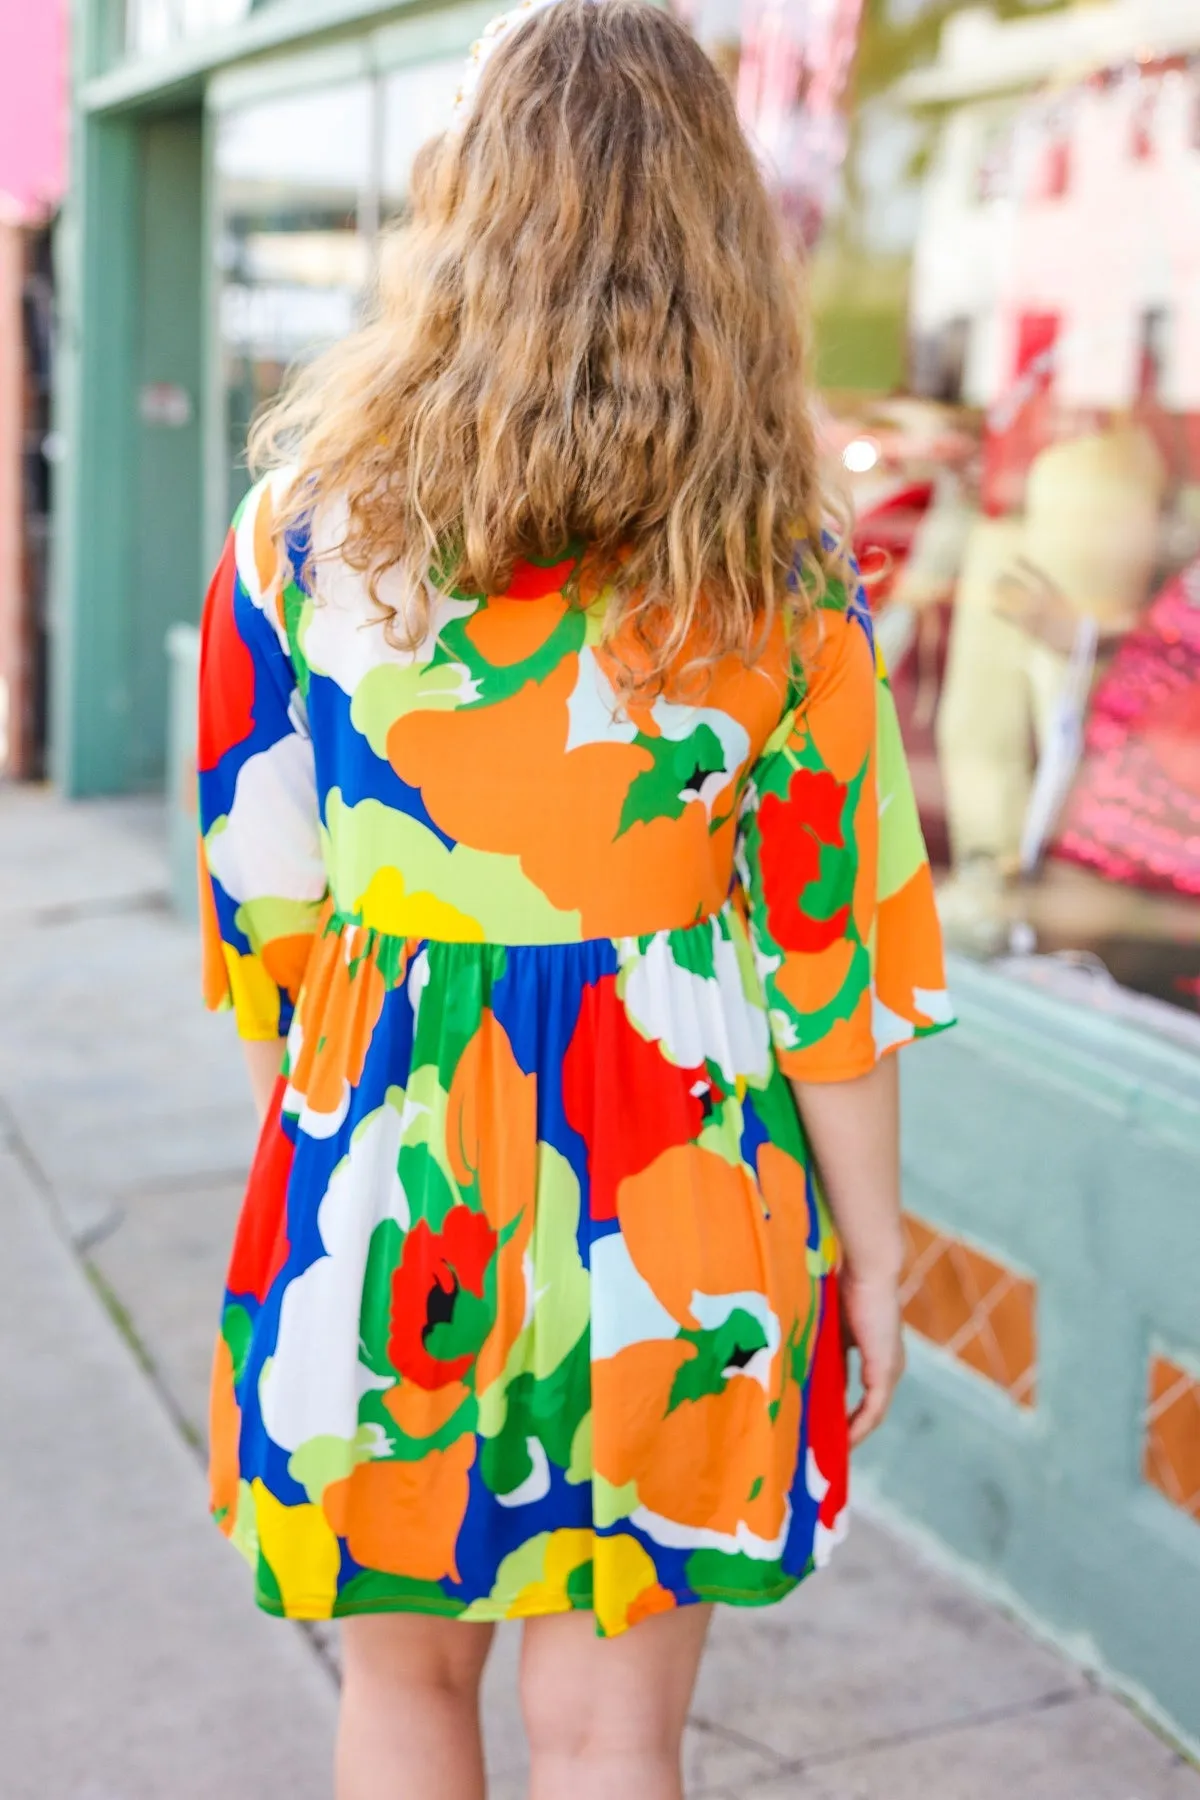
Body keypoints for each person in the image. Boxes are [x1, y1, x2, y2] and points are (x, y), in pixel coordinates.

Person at [196, 3, 952, 1794]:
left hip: (381, 1172)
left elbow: (261, 929)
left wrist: (322, 1172)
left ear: (460, 209)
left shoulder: (301, 539)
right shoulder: (773, 571)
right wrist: (882, 1248)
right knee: (612, 1737)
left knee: (400, 1698)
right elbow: (830, 959)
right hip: (679, 1184)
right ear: (713, 241)